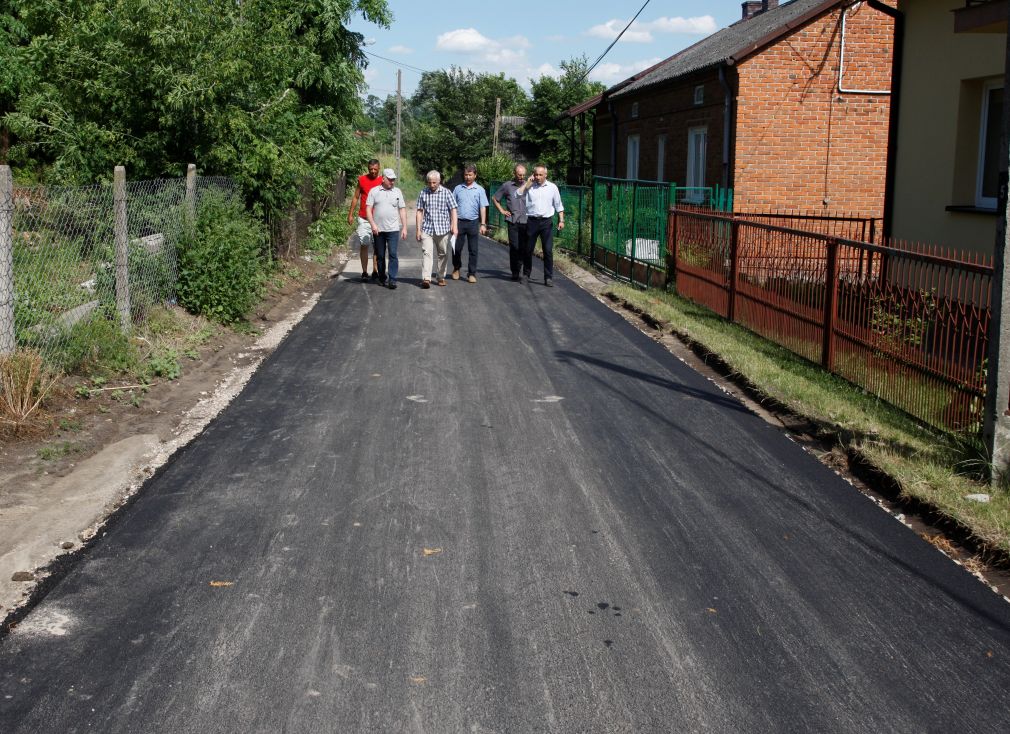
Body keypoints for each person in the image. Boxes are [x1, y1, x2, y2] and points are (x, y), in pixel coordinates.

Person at [517, 164, 565, 287]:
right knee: (528, 249)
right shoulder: (530, 186)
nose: (538, 177)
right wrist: (527, 183)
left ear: (545, 175)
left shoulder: (552, 188)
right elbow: (517, 194)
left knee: (548, 251)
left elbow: (558, 205)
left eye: (540, 174)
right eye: (536, 174)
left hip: (546, 222)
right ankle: (526, 274)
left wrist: (561, 220)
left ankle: (548, 277)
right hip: (532, 221)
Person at [366, 168, 408, 290]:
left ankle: (393, 279)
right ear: (383, 178)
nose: (392, 182)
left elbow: (402, 209)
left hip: (393, 229)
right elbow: (368, 209)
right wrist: (373, 224)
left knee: (393, 254)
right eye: (390, 179)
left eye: (393, 179)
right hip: (378, 230)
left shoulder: (397, 192)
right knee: (380, 255)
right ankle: (382, 277)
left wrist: (404, 227)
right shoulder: (374, 191)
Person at [415, 170, 458, 288]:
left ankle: (440, 277)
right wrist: (418, 229)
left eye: (434, 182)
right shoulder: (423, 192)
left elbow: (453, 209)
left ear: (439, 181)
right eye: (430, 182)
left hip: (443, 229)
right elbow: (419, 211)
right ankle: (426, 278)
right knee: (426, 253)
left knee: (443, 253)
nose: (432, 185)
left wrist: (454, 225)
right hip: (427, 229)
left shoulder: (446, 192)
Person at [451, 163, 489, 284]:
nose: (467, 177)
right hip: (459, 223)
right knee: (456, 248)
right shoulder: (457, 189)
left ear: (475, 175)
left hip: (473, 223)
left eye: (470, 175)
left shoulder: (480, 190)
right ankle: (456, 268)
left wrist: (483, 224)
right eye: (466, 175)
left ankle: (471, 273)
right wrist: (452, 223)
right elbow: (452, 207)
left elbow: (483, 207)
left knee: (473, 250)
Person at [347, 159, 382, 282]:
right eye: (370, 169)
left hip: (378, 219)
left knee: (377, 246)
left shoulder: (382, 181)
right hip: (363, 218)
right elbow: (356, 197)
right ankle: (364, 271)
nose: (373, 171)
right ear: (368, 168)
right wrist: (350, 214)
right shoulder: (362, 180)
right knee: (364, 244)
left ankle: (375, 270)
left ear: (379, 168)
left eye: (375, 169)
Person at [492, 164, 529, 282]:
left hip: (526, 220)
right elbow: (495, 198)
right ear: (514, 173)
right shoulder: (507, 186)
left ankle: (522, 269)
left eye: (523, 175)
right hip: (513, 220)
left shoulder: (529, 185)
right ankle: (515, 272)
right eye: (519, 175)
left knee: (523, 247)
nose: (521, 177)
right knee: (514, 246)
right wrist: (502, 210)